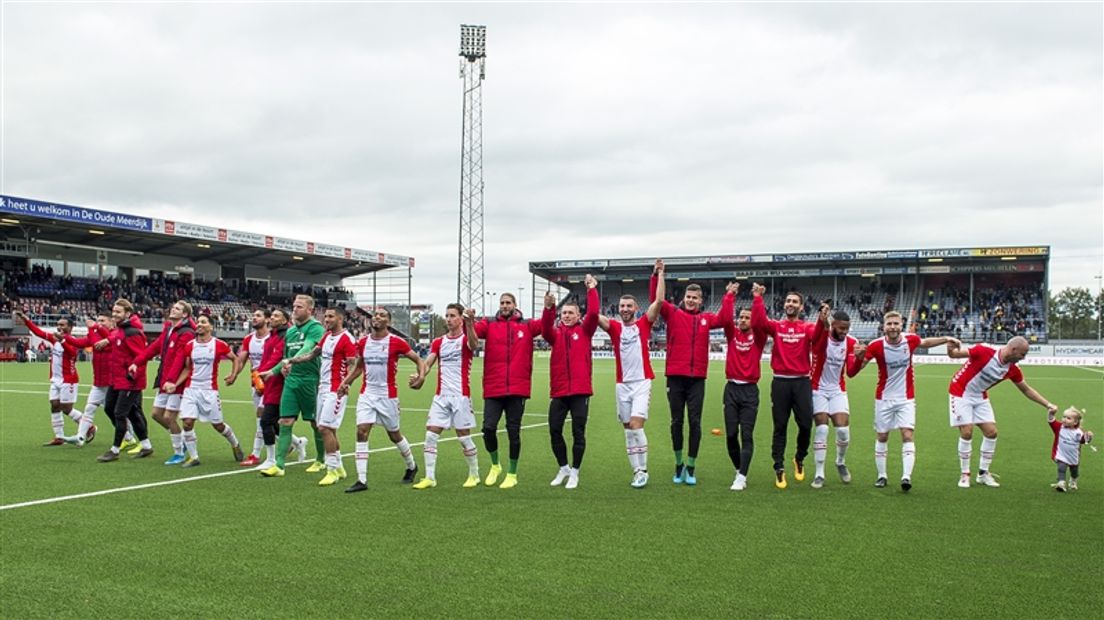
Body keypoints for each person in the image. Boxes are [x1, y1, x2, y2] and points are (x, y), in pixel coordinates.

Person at [851, 311, 958, 491]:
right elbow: (854, 371)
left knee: (907, 435)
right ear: (884, 326)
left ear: (901, 325)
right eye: (889, 324)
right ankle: (882, 475)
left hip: (906, 399)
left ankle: (906, 477)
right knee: (882, 436)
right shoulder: (876, 346)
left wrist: (946, 338)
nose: (892, 327)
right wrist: (858, 357)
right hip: (883, 398)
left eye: (896, 323)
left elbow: (926, 342)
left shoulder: (911, 340)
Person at [650, 261, 736, 485]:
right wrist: (658, 274)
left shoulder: (706, 319)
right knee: (676, 422)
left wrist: (728, 296)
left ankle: (691, 465)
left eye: (695, 298)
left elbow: (726, 319)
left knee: (695, 422)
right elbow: (656, 299)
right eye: (688, 297)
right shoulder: (673, 313)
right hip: (675, 377)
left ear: (701, 301)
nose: (690, 300)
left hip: (697, 379)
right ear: (683, 298)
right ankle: (678, 464)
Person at [946, 336, 1058, 488]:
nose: (1023, 358)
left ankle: (983, 474)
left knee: (991, 433)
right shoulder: (984, 351)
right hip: (960, 392)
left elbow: (1026, 389)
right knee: (967, 432)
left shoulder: (1013, 369)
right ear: (1013, 350)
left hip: (979, 395)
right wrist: (950, 346)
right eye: (1022, 354)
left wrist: (1047, 404)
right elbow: (954, 354)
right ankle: (965, 474)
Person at [338, 307, 426, 493]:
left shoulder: (396, 342)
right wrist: (345, 383)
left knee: (394, 435)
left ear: (389, 322)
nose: (377, 317)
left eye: (382, 315)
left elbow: (418, 360)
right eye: (375, 315)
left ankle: (411, 466)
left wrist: (421, 376)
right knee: (362, 431)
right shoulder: (363, 342)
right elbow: (359, 368)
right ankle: (361, 480)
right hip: (367, 394)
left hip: (388, 397)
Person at [751, 285, 828, 489]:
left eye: (794, 302)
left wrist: (822, 320)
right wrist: (758, 298)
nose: (790, 304)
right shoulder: (777, 326)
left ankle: (799, 457)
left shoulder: (807, 327)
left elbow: (819, 339)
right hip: (780, 383)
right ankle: (779, 467)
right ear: (784, 305)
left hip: (802, 382)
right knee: (780, 426)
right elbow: (758, 322)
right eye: (788, 301)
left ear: (801, 307)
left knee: (805, 424)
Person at [597, 264, 664, 488]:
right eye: (622, 306)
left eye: (629, 305)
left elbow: (659, 302)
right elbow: (593, 315)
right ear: (618, 308)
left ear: (636, 308)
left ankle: (644, 469)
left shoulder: (644, 324)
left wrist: (660, 274)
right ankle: (636, 470)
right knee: (627, 429)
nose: (625, 309)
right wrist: (591, 289)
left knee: (636, 425)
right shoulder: (614, 327)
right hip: (621, 385)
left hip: (641, 383)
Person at [470, 292, 543, 488]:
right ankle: (495, 465)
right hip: (494, 387)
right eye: (502, 302)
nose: (504, 305)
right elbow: (473, 335)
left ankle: (512, 472)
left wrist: (549, 307)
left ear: (515, 305)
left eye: (508, 302)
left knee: (513, 432)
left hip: (517, 388)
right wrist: (469, 321)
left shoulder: (527, 325)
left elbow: (546, 323)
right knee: (488, 428)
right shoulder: (490, 323)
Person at [412, 303, 481, 489]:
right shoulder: (439, 342)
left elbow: (474, 345)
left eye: (452, 316)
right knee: (430, 435)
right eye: (447, 315)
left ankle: (474, 474)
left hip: (461, 396)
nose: (448, 319)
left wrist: (470, 324)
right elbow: (428, 363)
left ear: (460, 318)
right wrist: (420, 376)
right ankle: (430, 477)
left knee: (464, 437)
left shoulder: (466, 338)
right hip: (441, 397)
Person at [161, 314, 245, 467]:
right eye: (198, 322)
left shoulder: (219, 344)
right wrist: (175, 384)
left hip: (209, 391)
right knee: (187, 422)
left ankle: (235, 443)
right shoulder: (190, 345)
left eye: (203, 322)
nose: (199, 324)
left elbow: (235, 359)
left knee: (218, 425)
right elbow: (187, 368)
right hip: (191, 389)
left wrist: (234, 375)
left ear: (211, 327)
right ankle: (194, 457)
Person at [541, 275, 600, 489]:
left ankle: (575, 471)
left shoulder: (585, 331)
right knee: (554, 430)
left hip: (580, 391)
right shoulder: (555, 335)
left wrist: (592, 289)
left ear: (578, 315)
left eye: (570, 313)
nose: (566, 316)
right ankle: (563, 467)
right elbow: (545, 328)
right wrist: (548, 309)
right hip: (559, 392)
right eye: (563, 312)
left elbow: (594, 313)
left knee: (578, 432)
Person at [260, 294, 326, 478]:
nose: (295, 309)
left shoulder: (315, 328)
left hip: (309, 381)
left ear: (309, 310)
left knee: (315, 424)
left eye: (299, 307)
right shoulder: (290, 332)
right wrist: (273, 372)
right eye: (294, 306)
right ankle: (279, 465)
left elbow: (308, 348)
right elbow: (284, 356)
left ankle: (321, 460)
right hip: (291, 382)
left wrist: (292, 360)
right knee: (284, 421)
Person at [130, 301, 196, 465]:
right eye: (173, 307)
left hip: (176, 383)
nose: (173, 309)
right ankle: (183, 442)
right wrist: (136, 362)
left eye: (178, 309)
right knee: (156, 414)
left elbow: (180, 360)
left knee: (169, 417)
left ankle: (179, 452)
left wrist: (172, 381)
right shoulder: (168, 329)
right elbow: (154, 348)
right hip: (165, 380)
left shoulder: (186, 333)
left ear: (185, 314)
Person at [808, 309, 864, 489]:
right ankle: (819, 473)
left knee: (842, 431)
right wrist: (821, 319)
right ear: (833, 326)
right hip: (818, 389)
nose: (844, 332)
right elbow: (817, 342)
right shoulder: (822, 338)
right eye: (841, 328)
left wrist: (860, 358)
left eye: (847, 329)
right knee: (822, 429)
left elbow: (851, 373)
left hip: (838, 390)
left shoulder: (851, 342)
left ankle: (840, 462)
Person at [303, 307, 357, 486]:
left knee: (324, 427)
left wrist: (346, 384)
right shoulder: (326, 337)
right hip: (323, 388)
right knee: (330, 429)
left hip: (337, 390)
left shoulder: (347, 339)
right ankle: (339, 468)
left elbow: (353, 364)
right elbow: (313, 354)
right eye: (325, 316)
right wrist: (290, 362)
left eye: (330, 316)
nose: (326, 319)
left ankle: (331, 470)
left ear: (340, 319)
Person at [97, 299, 154, 462]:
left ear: (127, 314)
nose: (114, 315)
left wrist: (133, 375)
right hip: (117, 379)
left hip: (129, 380)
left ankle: (115, 450)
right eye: (113, 311)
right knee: (111, 408)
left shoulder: (132, 333)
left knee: (120, 413)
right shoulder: (121, 330)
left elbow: (141, 357)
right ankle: (147, 446)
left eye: (118, 312)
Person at [14, 311, 84, 445]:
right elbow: (38, 332)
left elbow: (71, 353)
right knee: (54, 406)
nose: (59, 327)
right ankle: (59, 437)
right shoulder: (53, 338)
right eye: (58, 325)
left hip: (68, 379)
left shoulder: (74, 340)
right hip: (56, 379)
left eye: (63, 325)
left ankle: (88, 425)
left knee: (66, 408)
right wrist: (26, 319)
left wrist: (62, 340)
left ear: (70, 327)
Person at [721, 301, 769, 491]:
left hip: (749, 391)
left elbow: (761, 322)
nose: (742, 320)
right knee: (731, 436)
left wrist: (758, 300)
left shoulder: (758, 337)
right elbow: (725, 318)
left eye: (747, 317)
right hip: (731, 389)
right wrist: (729, 296)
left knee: (746, 435)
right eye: (740, 317)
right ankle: (740, 469)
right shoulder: (732, 334)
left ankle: (741, 477)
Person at [254, 309, 308, 470]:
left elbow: (277, 358)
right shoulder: (271, 336)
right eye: (272, 315)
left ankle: (271, 458)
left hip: (279, 382)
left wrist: (263, 373)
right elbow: (267, 358)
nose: (272, 318)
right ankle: (299, 443)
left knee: (266, 421)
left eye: (277, 316)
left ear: (285, 321)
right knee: (277, 423)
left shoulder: (285, 336)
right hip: (269, 382)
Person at [61, 312, 116, 447]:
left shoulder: (115, 335)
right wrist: (64, 338)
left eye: (103, 320)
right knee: (89, 408)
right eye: (98, 320)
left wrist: (94, 327)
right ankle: (80, 437)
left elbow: (105, 341)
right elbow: (80, 343)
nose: (100, 323)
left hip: (112, 381)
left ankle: (130, 437)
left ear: (111, 322)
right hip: (98, 381)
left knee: (116, 412)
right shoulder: (96, 335)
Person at [227, 309, 272, 467]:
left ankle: (255, 454)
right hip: (256, 384)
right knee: (269, 420)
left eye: (258, 316)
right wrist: (234, 375)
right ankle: (296, 442)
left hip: (271, 383)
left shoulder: (273, 338)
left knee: (261, 416)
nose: (254, 318)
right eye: (253, 316)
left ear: (267, 320)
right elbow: (241, 360)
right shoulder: (248, 339)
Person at [1048, 407, 1094, 492]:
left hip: (1073, 456)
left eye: (1068, 418)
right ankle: (1061, 482)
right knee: (1061, 468)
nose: (1064, 419)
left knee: (1074, 471)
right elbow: (1051, 421)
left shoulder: (1078, 432)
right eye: (1064, 417)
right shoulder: (1059, 427)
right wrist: (1051, 413)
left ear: (1075, 422)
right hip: (1061, 454)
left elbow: (1083, 441)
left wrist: (1088, 436)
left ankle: (1073, 480)